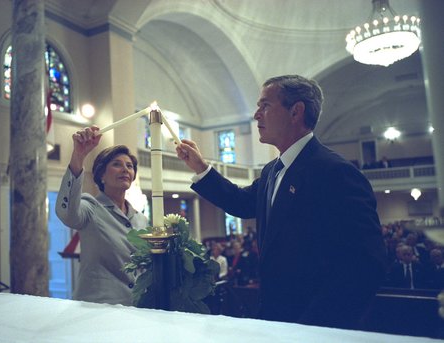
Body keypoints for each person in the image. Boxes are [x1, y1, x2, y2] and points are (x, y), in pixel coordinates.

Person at [176, 75, 387, 329]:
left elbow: (366, 262)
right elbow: (241, 203)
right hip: (275, 319)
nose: (256, 115)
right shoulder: (271, 171)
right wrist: (200, 168)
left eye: (265, 105)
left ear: (296, 111)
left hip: (315, 324)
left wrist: (316, 328)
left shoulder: (335, 172)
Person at [55, 126, 147, 305]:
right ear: (101, 175)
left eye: (129, 166)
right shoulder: (91, 207)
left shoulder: (141, 219)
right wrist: (78, 156)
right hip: (97, 306)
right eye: (117, 164)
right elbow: (66, 213)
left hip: (136, 308)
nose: (125, 169)